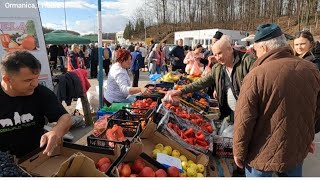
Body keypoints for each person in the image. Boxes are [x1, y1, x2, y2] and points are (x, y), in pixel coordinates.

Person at [233, 23, 320, 177]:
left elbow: (244, 119)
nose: (255, 54)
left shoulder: (256, 75)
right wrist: (308, 137)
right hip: (295, 150)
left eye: (256, 50)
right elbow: (316, 109)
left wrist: (238, 152)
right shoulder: (311, 70)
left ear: (264, 49)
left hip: (260, 155)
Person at [165, 35, 255, 122]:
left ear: (230, 49)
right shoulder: (217, 68)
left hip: (249, 113)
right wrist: (181, 91)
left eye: (220, 53)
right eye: (215, 55)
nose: (217, 58)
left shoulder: (247, 62)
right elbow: (201, 83)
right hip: (230, 113)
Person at [0, 51, 72, 158]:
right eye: (28, 80)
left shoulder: (40, 92)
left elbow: (65, 117)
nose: (35, 84)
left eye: (36, 78)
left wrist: (56, 131)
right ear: (7, 79)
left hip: (36, 156)